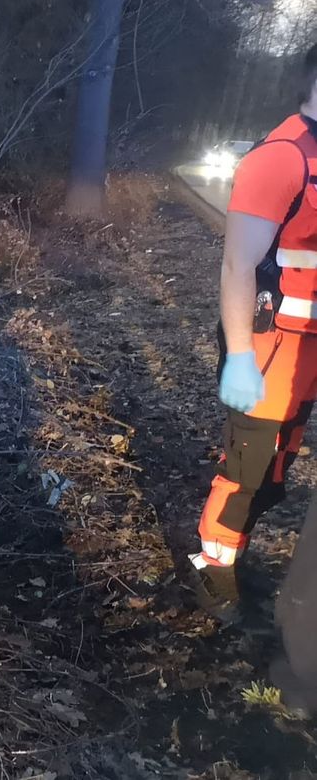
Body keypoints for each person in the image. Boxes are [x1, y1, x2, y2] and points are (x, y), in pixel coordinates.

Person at [195, 41, 317, 714]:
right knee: (245, 473)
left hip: (308, 357)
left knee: (274, 475)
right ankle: (213, 570)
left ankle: (236, 549)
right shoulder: (281, 158)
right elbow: (238, 266)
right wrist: (239, 354)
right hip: (271, 352)